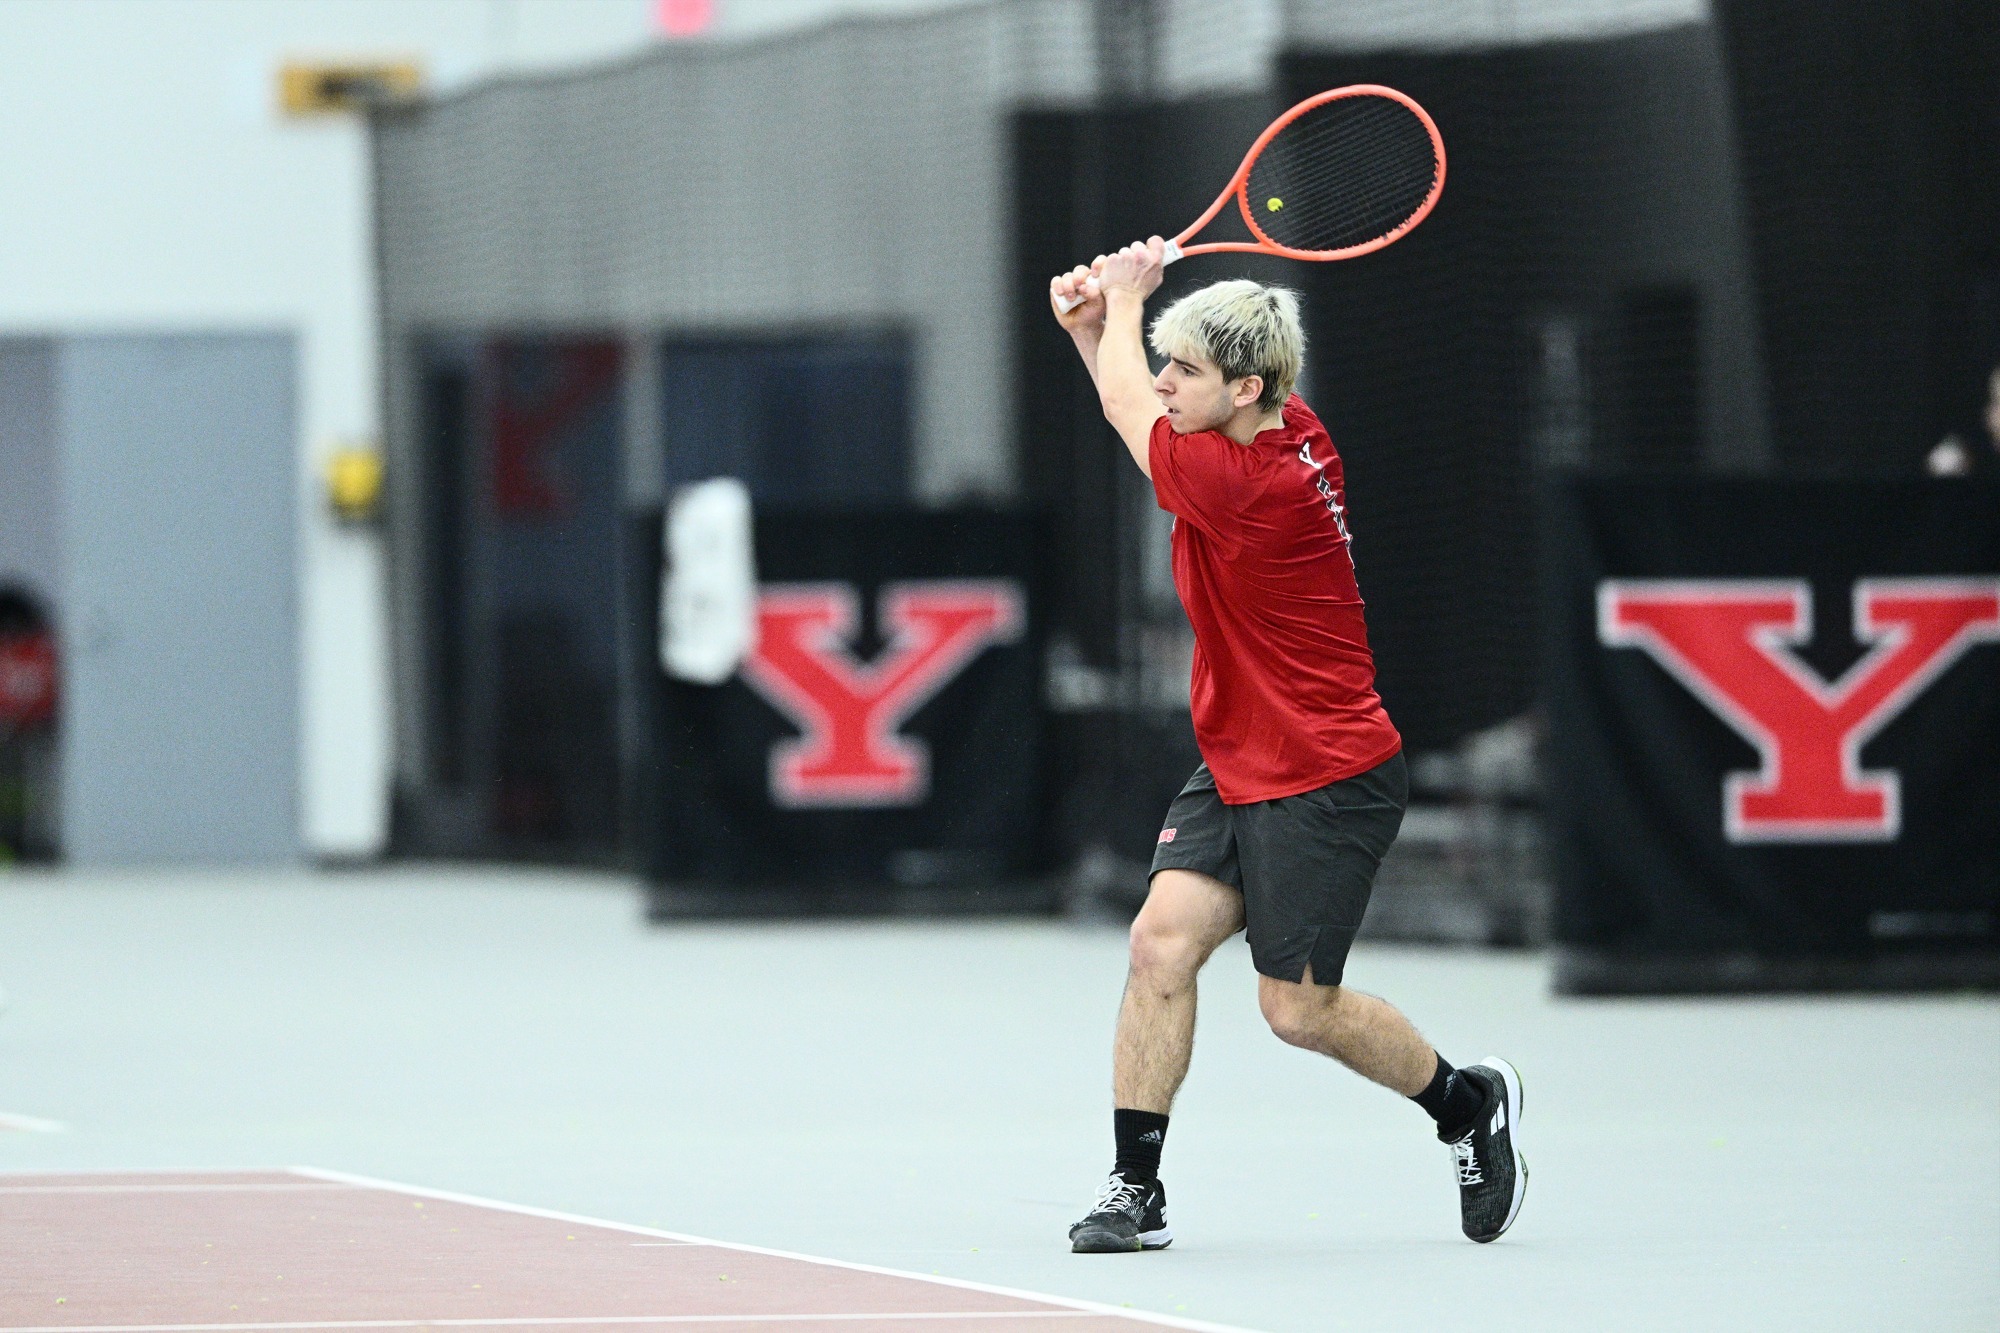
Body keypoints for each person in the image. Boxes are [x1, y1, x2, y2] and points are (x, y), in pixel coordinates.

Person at [1049, 239, 1526, 1253]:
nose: (1166, 382)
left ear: (1246, 390)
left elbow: (1131, 410)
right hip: (1235, 755)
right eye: (1165, 363)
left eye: (1186, 369)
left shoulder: (1252, 487)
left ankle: (1465, 1104)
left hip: (1328, 775)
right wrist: (1098, 330)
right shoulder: (1286, 423)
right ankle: (1136, 1189)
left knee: (1297, 1011)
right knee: (1158, 943)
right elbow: (1134, 407)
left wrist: (1121, 307)